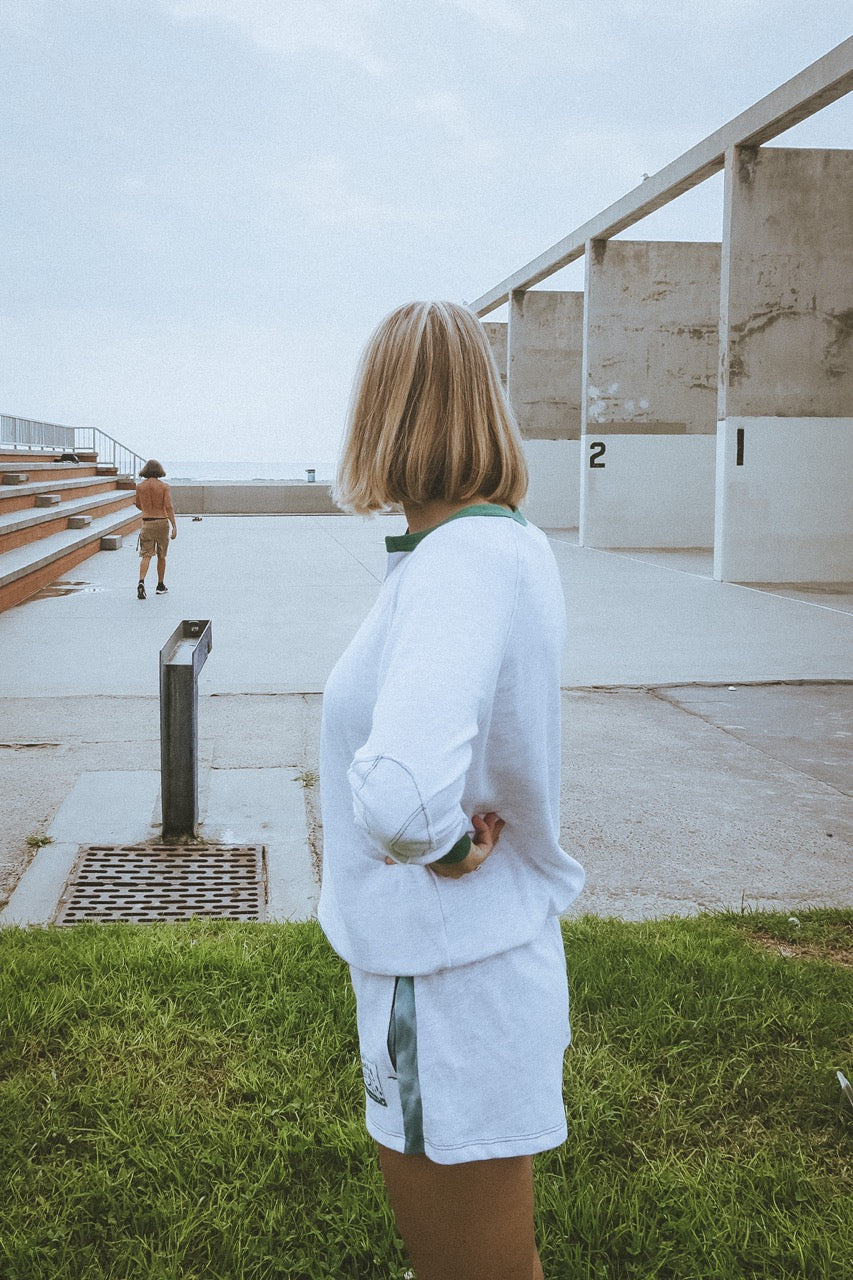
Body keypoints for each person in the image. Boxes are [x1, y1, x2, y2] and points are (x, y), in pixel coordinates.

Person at [318, 300, 585, 1279]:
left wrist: (443, 843)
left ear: (380, 411)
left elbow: (396, 792)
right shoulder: (495, 546)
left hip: (443, 980)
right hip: (464, 970)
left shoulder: (461, 562)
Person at [134, 459, 177, 599]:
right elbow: (168, 506)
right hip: (161, 522)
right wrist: (174, 526)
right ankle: (160, 585)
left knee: (146, 554)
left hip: (147, 522)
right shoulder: (164, 486)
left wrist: (147, 508)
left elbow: (138, 505)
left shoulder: (140, 487)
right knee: (161, 555)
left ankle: (141, 582)